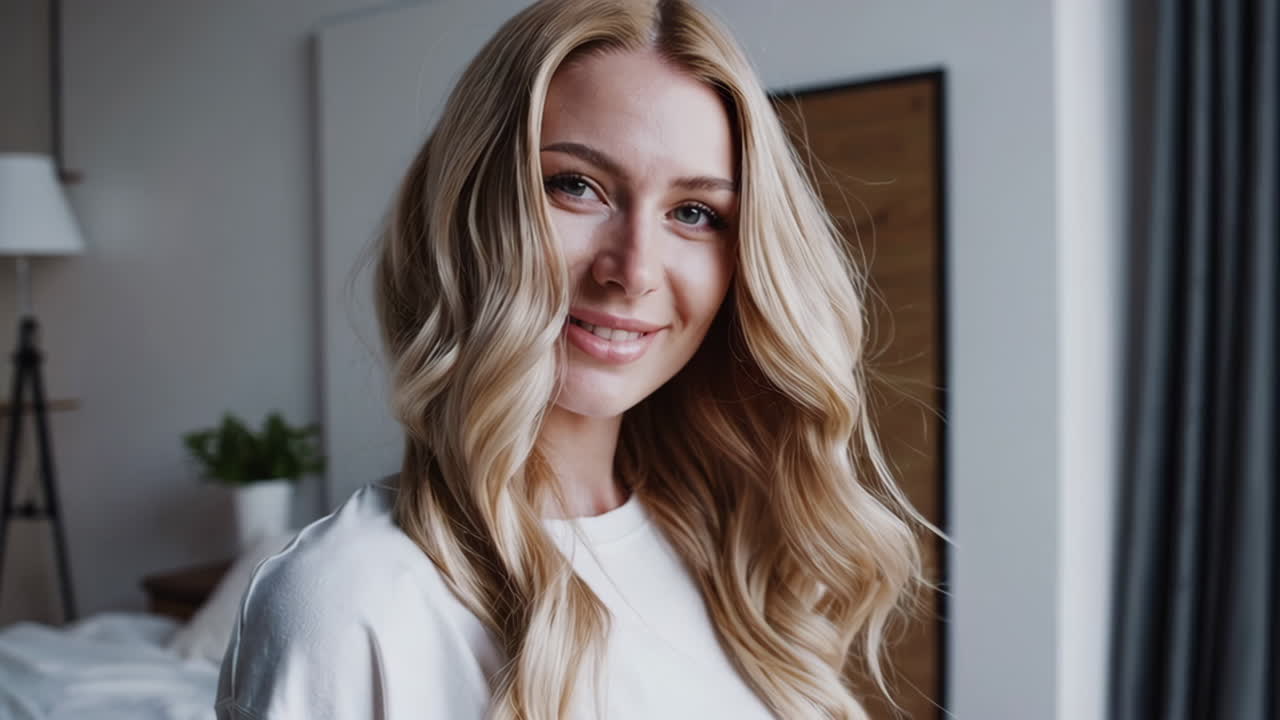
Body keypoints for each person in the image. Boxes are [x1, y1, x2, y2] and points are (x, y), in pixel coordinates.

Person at [215, 0, 938, 718]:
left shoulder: (731, 560)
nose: (634, 271)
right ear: (467, 206)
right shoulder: (349, 602)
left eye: (694, 213)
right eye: (575, 185)